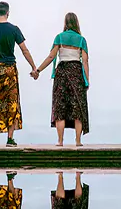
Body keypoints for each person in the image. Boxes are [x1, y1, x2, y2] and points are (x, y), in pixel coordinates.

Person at [0, 1, 38, 147]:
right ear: (8, 13)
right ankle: (10, 139)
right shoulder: (14, 29)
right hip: (10, 70)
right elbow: (24, 50)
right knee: (12, 103)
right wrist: (34, 67)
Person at [33, 12, 90, 147]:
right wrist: (86, 80)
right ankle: (78, 141)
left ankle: (60, 141)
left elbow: (51, 57)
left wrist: (38, 70)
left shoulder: (59, 37)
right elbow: (85, 62)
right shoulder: (81, 40)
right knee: (78, 108)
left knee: (60, 107)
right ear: (76, 23)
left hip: (62, 73)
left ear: (65, 23)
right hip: (76, 72)